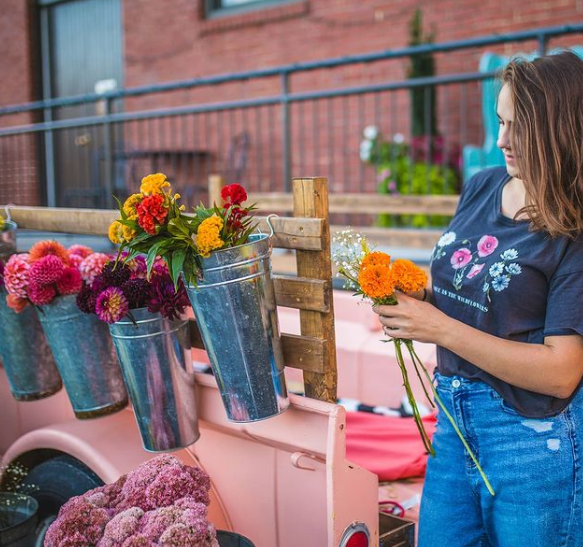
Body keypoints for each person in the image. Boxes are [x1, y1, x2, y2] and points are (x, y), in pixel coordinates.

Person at [373, 50, 583, 547]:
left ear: (559, 130)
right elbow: (476, 295)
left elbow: (562, 372)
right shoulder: (483, 186)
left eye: (517, 128)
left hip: (531, 441)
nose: (500, 140)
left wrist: (437, 328)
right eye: (500, 121)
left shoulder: (574, 228)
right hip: (454, 424)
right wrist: (417, 294)